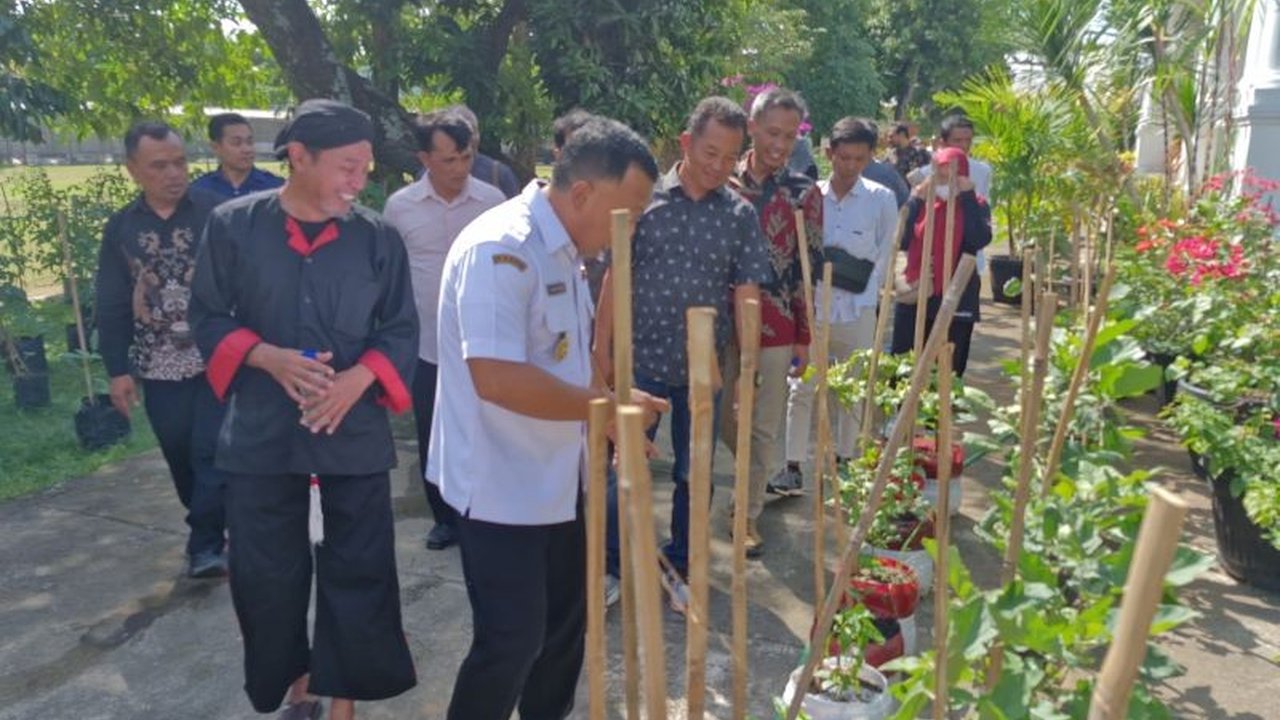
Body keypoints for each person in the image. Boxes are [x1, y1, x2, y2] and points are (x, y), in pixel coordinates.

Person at [190, 99, 419, 720]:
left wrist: (356, 380)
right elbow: (206, 317)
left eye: (366, 167)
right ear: (299, 158)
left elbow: (399, 329)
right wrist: (267, 357)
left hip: (353, 433)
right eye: (347, 166)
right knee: (266, 576)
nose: (359, 180)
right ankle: (297, 690)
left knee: (359, 571)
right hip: (265, 437)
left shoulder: (378, 237)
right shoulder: (233, 227)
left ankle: (342, 700)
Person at [429, 117, 663, 720]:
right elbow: (497, 377)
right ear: (583, 193)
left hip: (560, 479)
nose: (628, 229)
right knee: (511, 642)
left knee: (564, 634)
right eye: (626, 213)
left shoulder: (566, 248)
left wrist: (612, 401)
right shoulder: (501, 247)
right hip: (500, 485)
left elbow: (569, 357)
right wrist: (607, 408)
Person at [593, 96, 772, 592]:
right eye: (709, 153)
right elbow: (613, 276)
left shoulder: (739, 214)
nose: (718, 166)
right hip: (638, 359)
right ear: (687, 142)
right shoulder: (642, 200)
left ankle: (682, 565)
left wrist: (746, 372)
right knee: (623, 466)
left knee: (696, 473)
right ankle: (612, 565)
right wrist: (601, 353)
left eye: (730, 158)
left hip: (703, 367)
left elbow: (747, 294)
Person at [95, 121, 227, 579]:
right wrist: (117, 369)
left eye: (180, 162)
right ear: (134, 170)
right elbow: (110, 302)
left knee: (211, 450)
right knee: (178, 450)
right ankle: (209, 522)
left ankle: (206, 544)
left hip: (217, 357)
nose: (174, 173)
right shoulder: (122, 229)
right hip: (158, 363)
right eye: (160, 166)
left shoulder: (216, 214)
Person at [384, 109, 505, 552]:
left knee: (483, 428)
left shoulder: (492, 202)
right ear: (424, 158)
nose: (459, 169)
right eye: (448, 160)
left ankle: (483, 510)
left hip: (482, 346)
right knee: (434, 432)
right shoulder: (400, 208)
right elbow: (392, 278)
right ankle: (444, 519)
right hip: (428, 347)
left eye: (466, 157)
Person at [721, 86, 823, 557]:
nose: (780, 144)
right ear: (753, 126)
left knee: (763, 427)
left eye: (790, 135)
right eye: (772, 133)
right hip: (718, 323)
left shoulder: (803, 194)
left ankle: (747, 514)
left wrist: (805, 335)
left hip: (778, 324)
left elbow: (807, 272)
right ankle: (751, 478)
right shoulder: (722, 181)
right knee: (722, 418)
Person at [778, 117, 898, 494]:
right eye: (843, 157)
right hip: (814, 307)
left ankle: (846, 460)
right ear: (829, 153)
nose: (849, 166)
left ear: (870, 157)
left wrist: (866, 292)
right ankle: (792, 466)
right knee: (801, 386)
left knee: (853, 389)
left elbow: (887, 251)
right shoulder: (810, 195)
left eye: (859, 159)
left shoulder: (881, 199)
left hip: (858, 308)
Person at [889, 146, 992, 375]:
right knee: (903, 366)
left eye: (950, 174)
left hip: (957, 295)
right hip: (917, 291)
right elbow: (902, 240)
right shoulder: (923, 202)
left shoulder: (976, 204)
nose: (944, 180)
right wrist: (915, 200)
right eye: (939, 173)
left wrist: (966, 197)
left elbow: (978, 239)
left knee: (948, 369)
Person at [190, 112, 285, 200]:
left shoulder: (275, 188)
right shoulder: (199, 190)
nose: (247, 149)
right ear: (216, 147)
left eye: (249, 142)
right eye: (236, 143)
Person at [452, 104, 521, 199]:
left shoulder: (499, 174)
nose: (468, 139)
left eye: (472, 132)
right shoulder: (431, 173)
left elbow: (515, 211)